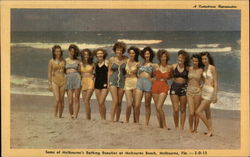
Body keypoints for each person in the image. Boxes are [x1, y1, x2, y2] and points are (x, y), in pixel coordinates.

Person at [195, 52, 218, 137]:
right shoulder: (204, 68)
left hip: (210, 92)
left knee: (198, 111)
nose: (204, 60)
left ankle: (210, 129)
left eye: (205, 59)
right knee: (207, 113)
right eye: (202, 59)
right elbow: (204, 80)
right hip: (204, 91)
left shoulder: (212, 68)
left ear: (209, 59)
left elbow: (215, 82)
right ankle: (209, 131)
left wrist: (215, 95)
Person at [152, 49, 172, 129]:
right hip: (155, 86)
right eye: (161, 57)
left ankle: (164, 125)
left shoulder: (170, 67)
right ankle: (160, 126)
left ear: (167, 57)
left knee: (159, 106)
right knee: (157, 108)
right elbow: (150, 76)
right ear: (159, 57)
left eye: (164, 56)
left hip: (164, 86)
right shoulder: (155, 66)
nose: (163, 58)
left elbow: (173, 77)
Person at [135, 46, 155, 125]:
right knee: (137, 104)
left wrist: (151, 80)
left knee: (147, 104)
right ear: (143, 55)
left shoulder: (153, 65)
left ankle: (146, 122)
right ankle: (137, 121)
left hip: (148, 84)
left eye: (148, 54)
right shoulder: (140, 64)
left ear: (150, 55)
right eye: (145, 54)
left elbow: (155, 76)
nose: (147, 55)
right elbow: (137, 74)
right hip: (140, 83)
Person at [108, 42, 128, 122]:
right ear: (115, 50)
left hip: (122, 82)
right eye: (117, 50)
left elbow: (128, 70)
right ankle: (112, 119)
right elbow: (109, 71)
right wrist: (108, 83)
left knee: (119, 102)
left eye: (120, 50)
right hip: (113, 80)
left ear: (123, 51)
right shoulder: (111, 59)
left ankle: (117, 119)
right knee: (115, 100)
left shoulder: (126, 59)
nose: (119, 52)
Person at [170, 50, 189, 130]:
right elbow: (170, 76)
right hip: (174, 87)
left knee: (183, 109)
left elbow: (191, 78)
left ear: (185, 59)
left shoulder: (187, 68)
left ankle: (182, 127)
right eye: (179, 57)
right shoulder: (173, 66)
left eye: (182, 58)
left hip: (184, 88)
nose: (180, 59)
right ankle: (176, 126)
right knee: (176, 109)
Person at [187, 54, 203, 133]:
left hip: (197, 91)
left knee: (196, 112)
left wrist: (202, 87)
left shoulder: (201, 70)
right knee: (191, 112)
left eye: (196, 61)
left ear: (198, 61)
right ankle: (190, 128)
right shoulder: (189, 68)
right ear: (191, 61)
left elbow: (206, 80)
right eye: (193, 61)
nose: (195, 62)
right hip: (189, 91)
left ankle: (195, 129)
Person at [48, 45, 66, 118]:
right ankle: (55, 115)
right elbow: (49, 72)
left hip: (63, 81)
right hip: (54, 81)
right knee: (57, 99)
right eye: (57, 51)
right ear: (54, 52)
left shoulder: (64, 60)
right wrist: (49, 83)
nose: (58, 52)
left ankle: (60, 116)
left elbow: (67, 71)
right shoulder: (51, 61)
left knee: (61, 100)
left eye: (59, 51)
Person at [65, 44, 81, 119]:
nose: (72, 53)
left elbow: (81, 71)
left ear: (75, 52)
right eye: (71, 51)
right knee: (70, 101)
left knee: (77, 99)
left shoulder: (78, 61)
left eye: (73, 51)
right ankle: (71, 115)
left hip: (77, 79)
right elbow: (62, 71)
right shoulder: (65, 60)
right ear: (68, 51)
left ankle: (76, 116)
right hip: (68, 80)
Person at [124, 46, 140, 123]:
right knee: (129, 104)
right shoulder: (126, 61)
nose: (131, 54)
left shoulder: (138, 63)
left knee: (136, 105)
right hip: (127, 83)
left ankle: (136, 120)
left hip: (135, 82)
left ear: (135, 54)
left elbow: (140, 75)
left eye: (133, 53)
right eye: (130, 53)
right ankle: (127, 120)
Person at [94, 48, 109, 120]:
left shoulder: (107, 62)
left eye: (101, 53)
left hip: (105, 84)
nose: (99, 55)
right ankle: (102, 118)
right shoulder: (95, 64)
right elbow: (94, 74)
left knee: (101, 101)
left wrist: (109, 83)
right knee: (99, 103)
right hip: (97, 84)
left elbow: (110, 73)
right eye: (98, 53)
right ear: (96, 55)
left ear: (103, 54)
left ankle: (104, 118)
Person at [80, 49, 95, 120]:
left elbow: (96, 73)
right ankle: (88, 117)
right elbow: (79, 74)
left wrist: (93, 76)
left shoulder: (93, 64)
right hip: (83, 82)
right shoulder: (80, 64)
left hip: (90, 82)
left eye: (87, 54)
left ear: (89, 56)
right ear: (83, 55)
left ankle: (88, 118)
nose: (86, 56)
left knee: (86, 100)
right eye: (85, 54)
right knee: (85, 101)